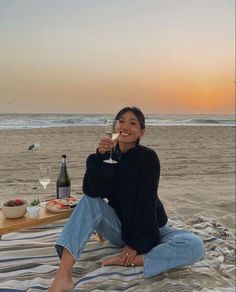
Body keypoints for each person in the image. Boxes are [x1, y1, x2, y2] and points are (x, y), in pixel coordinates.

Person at [49, 106, 205, 292]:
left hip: (151, 228)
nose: (125, 126)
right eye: (121, 121)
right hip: (119, 228)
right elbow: (92, 191)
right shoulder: (105, 157)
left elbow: (146, 203)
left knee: (195, 245)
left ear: (142, 132)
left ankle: (133, 261)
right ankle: (63, 275)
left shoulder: (147, 158)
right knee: (88, 200)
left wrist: (136, 245)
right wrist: (99, 158)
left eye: (133, 123)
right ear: (114, 127)